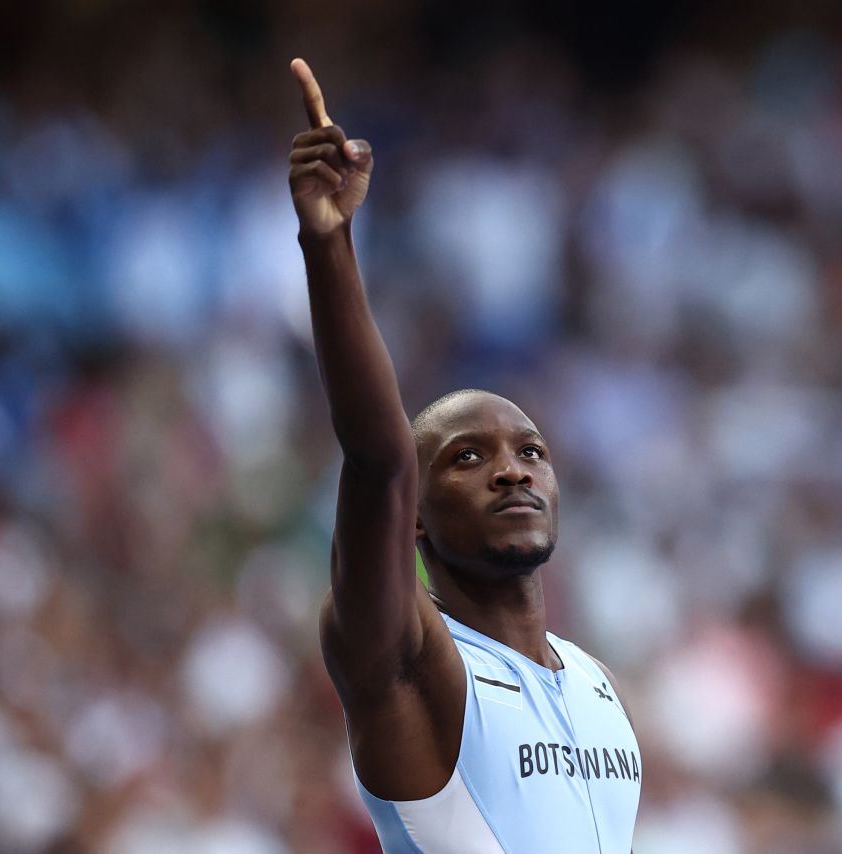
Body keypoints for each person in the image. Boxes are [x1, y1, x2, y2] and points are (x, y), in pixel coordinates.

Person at [288, 57, 641, 853]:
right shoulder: (408, 656)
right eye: (467, 458)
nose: (513, 469)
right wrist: (329, 242)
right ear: (413, 519)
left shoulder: (596, 685)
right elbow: (378, 459)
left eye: (530, 450)